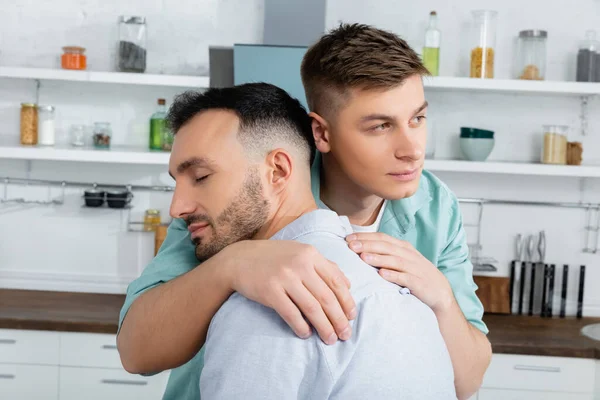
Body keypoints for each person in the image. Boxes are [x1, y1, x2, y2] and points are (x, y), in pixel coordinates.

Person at [117, 23, 491, 400]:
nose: (412, 149)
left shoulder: (437, 208)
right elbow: (136, 351)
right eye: (380, 126)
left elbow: (468, 382)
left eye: (417, 119)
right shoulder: (244, 194)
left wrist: (441, 298)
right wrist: (233, 263)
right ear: (321, 133)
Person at [164, 82, 456, 399]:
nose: (177, 207)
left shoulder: (268, 308)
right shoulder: (403, 296)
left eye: (201, 177)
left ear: (277, 170)